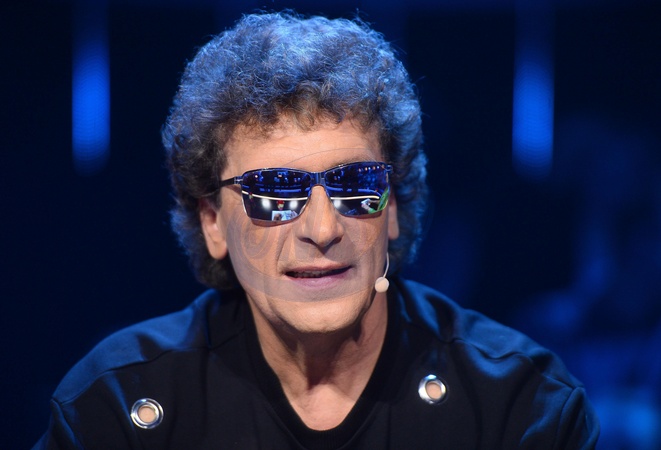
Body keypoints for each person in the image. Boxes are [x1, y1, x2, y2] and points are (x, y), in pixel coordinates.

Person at [35, 11, 599, 449]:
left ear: (393, 209)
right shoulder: (119, 402)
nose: (324, 228)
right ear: (212, 222)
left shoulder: (518, 407)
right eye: (275, 192)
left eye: (356, 185)